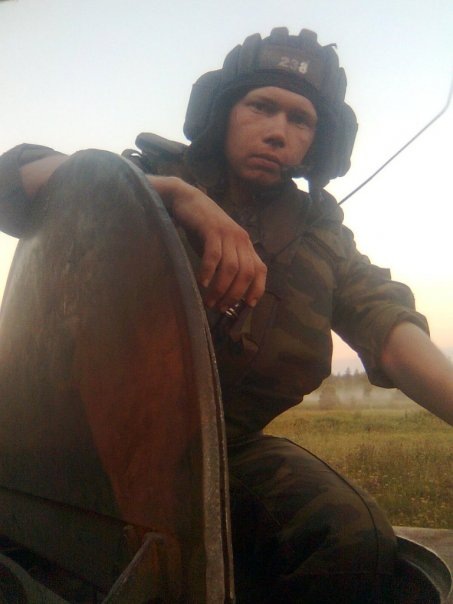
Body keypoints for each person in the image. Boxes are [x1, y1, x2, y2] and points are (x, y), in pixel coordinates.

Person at [0, 27, 452, 603]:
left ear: (318, 140)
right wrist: (171, 196)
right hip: (71, 448)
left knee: (348, 535)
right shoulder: (152, 179)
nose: (277, 131)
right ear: (225, 112)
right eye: (261, 106)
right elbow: (13, 177)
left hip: (216, 454)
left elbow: (389, 330)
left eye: (300, 119)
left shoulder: (324, 240)